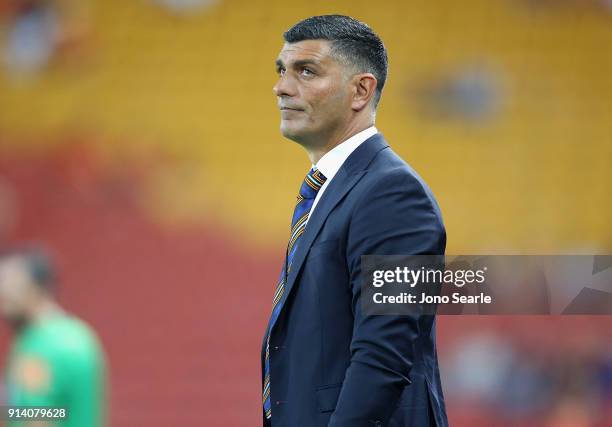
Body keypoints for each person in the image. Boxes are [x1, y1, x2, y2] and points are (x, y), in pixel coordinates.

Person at [261, 14, 448, 427]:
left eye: (305, 71)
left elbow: (383, 359)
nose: (281, 87)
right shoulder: (336, 190)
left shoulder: (394, 195)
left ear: (361, 90)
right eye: (281, 71)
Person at [0, 248, 107, 427]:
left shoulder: (46, 348)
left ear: (36, 289)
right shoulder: (76, 335)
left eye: (8, 285)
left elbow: (38, 416)